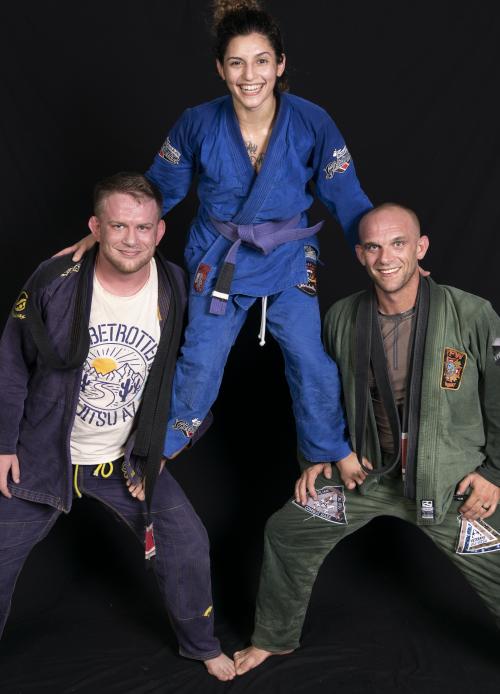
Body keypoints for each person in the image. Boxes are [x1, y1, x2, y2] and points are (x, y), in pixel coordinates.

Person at [60, 0, 372, 468]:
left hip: (288, 254)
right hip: (219, 252)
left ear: (280, 64)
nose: (250, 75)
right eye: (236, 63)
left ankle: (329, 448)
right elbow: (157, 190)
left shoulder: (313, 122)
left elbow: (348, 197)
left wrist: (386, 252)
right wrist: (107, 232)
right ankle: (165, 445)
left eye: (261, 61)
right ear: (220, 69)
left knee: (310, 357)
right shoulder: (197, 122)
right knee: (201, 358)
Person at [233, 203, 500, 674]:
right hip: (366, 475)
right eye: (373, 247)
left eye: (398, 244)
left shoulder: (471, 313)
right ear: (360, 254)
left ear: (420, 247)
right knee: (288, 531)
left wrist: (494, 473)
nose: (386, 257)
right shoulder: (342, 316)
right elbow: (318, 392)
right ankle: (275, 638)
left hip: (451, 483)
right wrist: (320, 455)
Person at [0, 173, 236, 681]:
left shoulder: (177, 287)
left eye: (143, 227)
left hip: (126, 461)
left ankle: (201, 644)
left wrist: (167, 446)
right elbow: (12, 361)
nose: (131, 239)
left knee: (186, 542)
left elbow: (200, 374)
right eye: (118, 226)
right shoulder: (55, 278)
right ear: (95, 228)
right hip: (43, 455)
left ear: (160, 231)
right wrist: (2, 444)